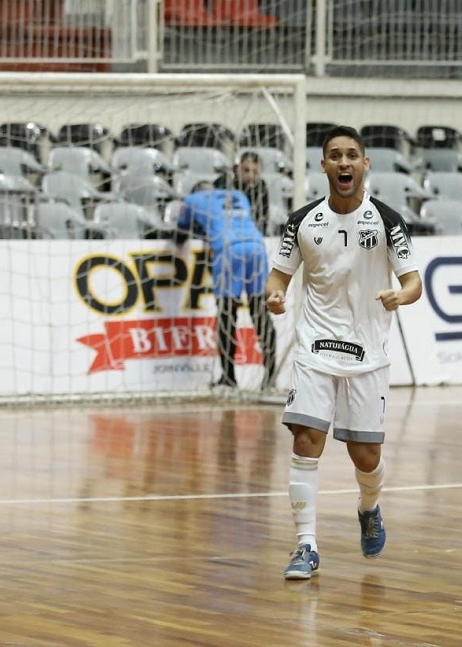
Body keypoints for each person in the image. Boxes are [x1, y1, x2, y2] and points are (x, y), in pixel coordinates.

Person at [265, 125, 422, 580]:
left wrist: (401, 295)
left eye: (352, 155)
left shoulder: (388, 221)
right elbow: (279, 277)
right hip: (315, 348)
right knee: (305, 441)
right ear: (323, 166)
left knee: (364, 456)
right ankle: (306, 545)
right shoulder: (302, 223)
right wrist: (275, 296)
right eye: (335, 155)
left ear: (365, 164)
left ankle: (369, 507)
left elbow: (413, 280)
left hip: (367, 355)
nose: (344, 162)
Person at [176, 182, 276, 391]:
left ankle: (229, 378)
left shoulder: (193, 200)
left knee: (227, 313)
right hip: (257, 247)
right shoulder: (239, 195)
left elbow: (180, 233)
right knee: (259, 311)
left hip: (229, 249)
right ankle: (270, 376)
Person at [214, 151, 272, 236]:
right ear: (237, 169)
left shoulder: (261, 187)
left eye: (255, 172)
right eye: (246, 170)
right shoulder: (223, 183)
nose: (251, 176)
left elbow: (263, 218)